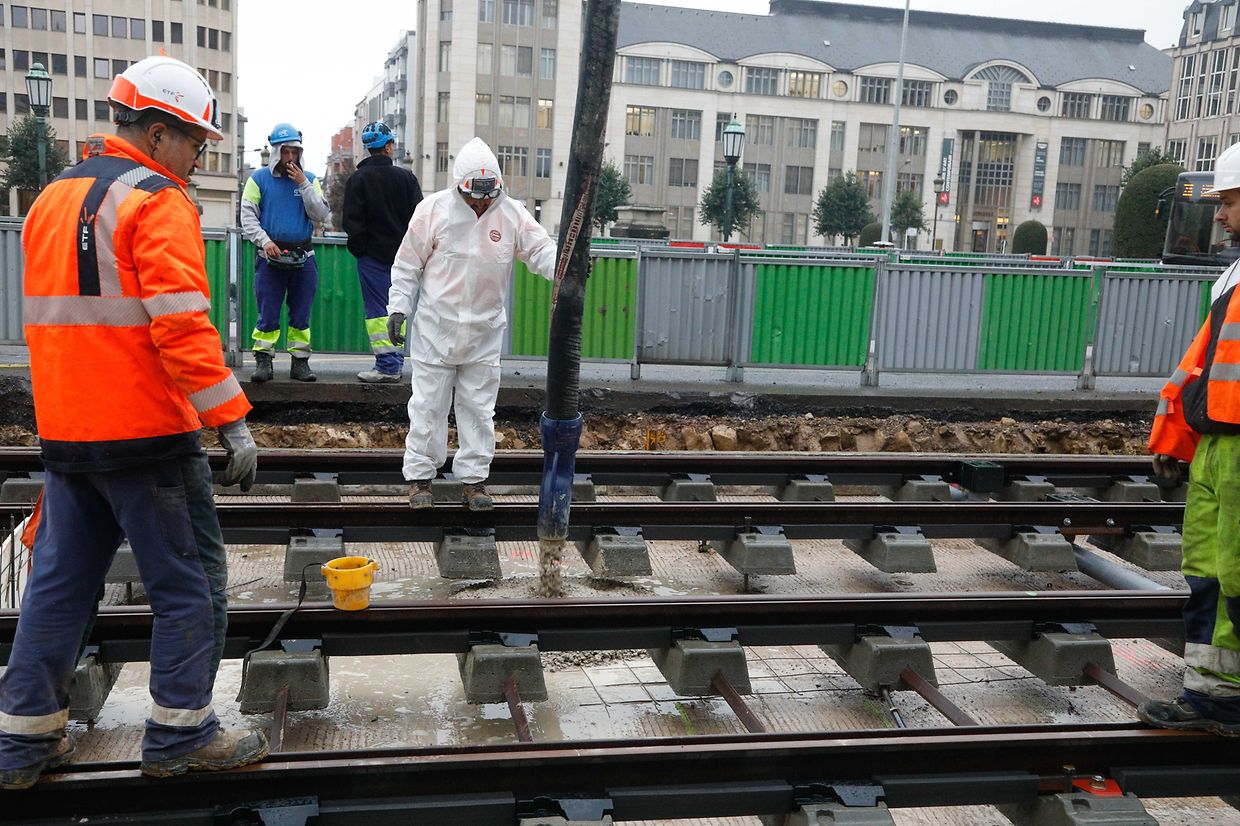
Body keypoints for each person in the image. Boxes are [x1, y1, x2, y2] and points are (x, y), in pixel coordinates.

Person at [0, 56, 268, 791]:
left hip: (67, 436)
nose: (197, 158)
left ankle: (22, 744)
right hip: (146, 435)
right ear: (155, 134)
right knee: (191, 585)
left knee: (59, 586)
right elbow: (180, 326)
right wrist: (232, 424)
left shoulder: (53, 197)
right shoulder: (156, 199)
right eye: (193, 142)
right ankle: (182, 732)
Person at [387, 137, 557, 510]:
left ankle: (474, 482)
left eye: (485, 199)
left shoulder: (511, 214)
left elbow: (541, 249)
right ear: (459, 186)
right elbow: (407, 265)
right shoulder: (432, 211)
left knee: (479, 409)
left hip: (484, 333)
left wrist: (566, 266)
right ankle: (419, 479)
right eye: (472, 199)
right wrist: (398, 306)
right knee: (428, 406)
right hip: (436, 330)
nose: (479, 205)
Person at [1144, 140, 1240, 738]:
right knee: (1208, 571)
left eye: (1230, 201)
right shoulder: (1233, 276)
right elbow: (1201, 368)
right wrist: (1173, 440)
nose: (1222, 214)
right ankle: (1212, 696)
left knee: (1237, 576)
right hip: (1217, 449)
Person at [240, 122, 330, 383]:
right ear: (276, 151)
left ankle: (300, 363)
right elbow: (247, 217)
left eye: (294, 152)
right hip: (271, 257)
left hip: (304, 258)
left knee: (301, 313)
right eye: (285, 152)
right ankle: (264, 361)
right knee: (267, 311)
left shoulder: (310, 179)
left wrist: (303, 185)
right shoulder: (258, 179)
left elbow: (321, 214)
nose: (290, 158)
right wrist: (264, 241)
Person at [342, 121, 423, 383]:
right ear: (388, 147)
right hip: (405, 258)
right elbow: (420, 220)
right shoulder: (407, 178)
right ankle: (395, 361)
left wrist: (362, 251)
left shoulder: (358, 180)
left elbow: (352, 224)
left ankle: (388, 366)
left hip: (372, 259)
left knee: (378, 312)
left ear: (368, 148)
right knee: (399, 308)